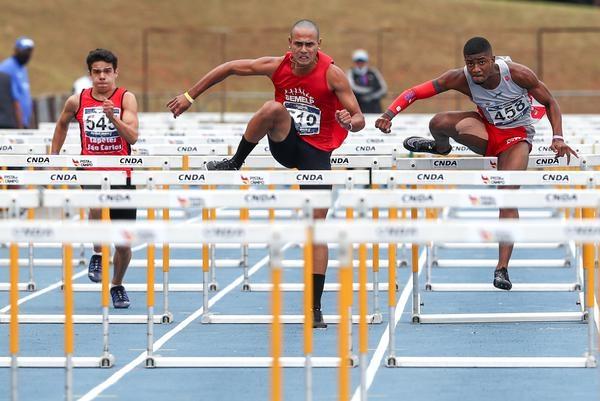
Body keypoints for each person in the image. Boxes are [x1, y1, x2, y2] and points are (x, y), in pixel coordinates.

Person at [167, 19, 365, 328]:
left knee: (317, 229)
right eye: (298, 44)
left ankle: (314, 308)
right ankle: (236, 161)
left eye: (309, 45)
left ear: (319, 46)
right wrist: (190, 96)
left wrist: (348, 120)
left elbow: (359, 118)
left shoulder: (332, 74)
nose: (303, 50)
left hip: (317, 152)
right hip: (285, 143)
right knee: (271, 108)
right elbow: (231, 67)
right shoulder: (276, 66)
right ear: (289, 44)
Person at [375, 36, 577, 291]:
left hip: (516, 137)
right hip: (485, 129)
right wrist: (388, 114)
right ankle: (440, 147)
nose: (476, 69)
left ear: (493, 60)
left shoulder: (517, 74)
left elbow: (550, 102)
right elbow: (415, 92)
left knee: (506, 196)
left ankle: (502, 268)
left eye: (481, 62)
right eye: (470, 63)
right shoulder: (460, 78)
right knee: (438, 122)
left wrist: (558, 137)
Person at [51, 49, 139, 308]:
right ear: (90, 74)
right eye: (97, 72)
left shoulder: (126, 98)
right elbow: (62, 124)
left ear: (115, 73)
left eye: (107, 72)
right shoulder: (77, 101)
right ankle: (98, 253)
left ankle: (117, 284)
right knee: (97, 204)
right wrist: (53, 157)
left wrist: (113, 118)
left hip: (121, 172)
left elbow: (133, 137)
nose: (102, 77)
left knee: (123, 242)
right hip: (91, 168)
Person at [0, 37, 34, 128]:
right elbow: (14, 100)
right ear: (16, 50)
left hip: (23, 122)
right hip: (11, 123)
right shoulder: (6, 68)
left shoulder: (23, 68)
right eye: (25, 51)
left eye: (29, 52)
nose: (28, 55)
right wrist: (19, 124)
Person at [347, 49, 387, 113]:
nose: (360, 63)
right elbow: (352, 87)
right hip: (358, 110)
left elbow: (383, 89)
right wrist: (367, 91)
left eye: (362, 61)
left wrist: (372, 96)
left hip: (375, 109)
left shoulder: (373, 72)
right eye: (358, 61)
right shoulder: (351, 73)